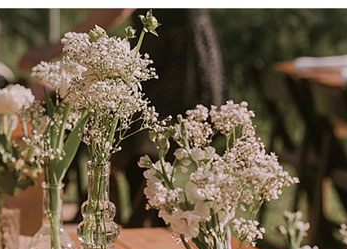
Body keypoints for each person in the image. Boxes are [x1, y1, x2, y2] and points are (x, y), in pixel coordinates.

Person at [18, 9, 228, 226]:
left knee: (151, 153)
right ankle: (135, 225)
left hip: (178, 54)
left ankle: (147, 227)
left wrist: (51, 51)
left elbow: (116, 9)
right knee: (137, 154)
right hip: (159, 49)